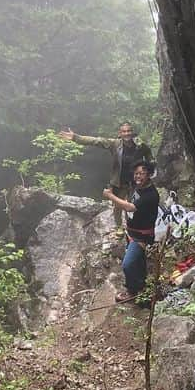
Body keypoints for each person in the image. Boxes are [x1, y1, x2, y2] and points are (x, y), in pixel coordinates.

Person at [59, 122, 153, 229]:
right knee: (117, 206)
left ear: (132, 132)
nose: (127, 133)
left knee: (133, 205)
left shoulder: (140, 146)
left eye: (129, 131)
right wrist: (76, 138)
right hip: (119, 181)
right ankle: (119, 227)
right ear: (120, 133)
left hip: (135, 182)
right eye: (124, 131)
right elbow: (96, 141)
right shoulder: (115, 144)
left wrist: (149, 168)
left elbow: (149, 154)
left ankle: (132, 226)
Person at [103, 160, 159, 303]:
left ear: (150, 175)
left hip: (141, 237)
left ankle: (131, 291)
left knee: (128, 265)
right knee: (138, 262)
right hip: (132, 233)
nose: (138, 177)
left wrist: (110, 196)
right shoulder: (138, 187)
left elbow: (129, 207)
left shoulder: (151, 194)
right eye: (136, 174)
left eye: (142, 174)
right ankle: (142, 286)